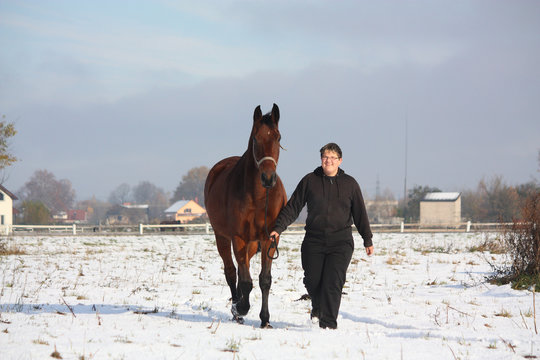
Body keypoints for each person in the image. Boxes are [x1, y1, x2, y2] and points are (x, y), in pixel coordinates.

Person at [270, 142, 373, 329]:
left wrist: (367, 239)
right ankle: (317, 306)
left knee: (333, 282)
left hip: (341, 242)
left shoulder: (350, 184)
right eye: (326, 157)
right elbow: (293, 207)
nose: (329, 161)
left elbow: (360, 213)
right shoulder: (310, 180)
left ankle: (328, 325)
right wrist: (278, 228)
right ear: (321, 159)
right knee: (312, 280)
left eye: (333, 158)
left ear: (340, 161)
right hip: (314, 240)